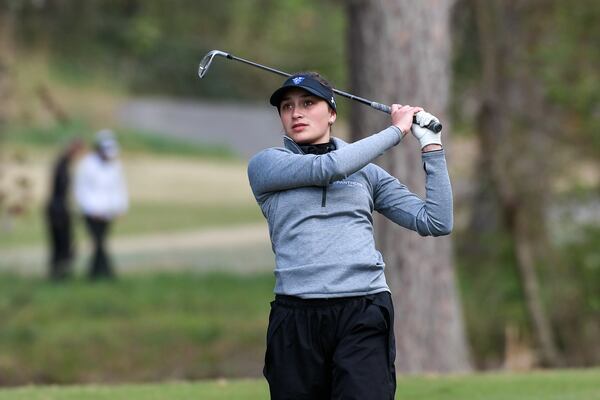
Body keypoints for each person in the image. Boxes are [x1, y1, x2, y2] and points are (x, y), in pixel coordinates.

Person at [247, 72, 453, 400]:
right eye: (287, 107)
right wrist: (397, 130)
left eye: (308, 103)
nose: (295, 113)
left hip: (363, 309)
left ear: (332, 113)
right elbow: (327, 168)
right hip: (296, 316)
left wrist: (431, 145)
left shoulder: (367, 174)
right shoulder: (267, 166)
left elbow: (436, 221)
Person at [74, 129, 128, 280]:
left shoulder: (115, 166)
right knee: (98, 242)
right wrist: (90, 209)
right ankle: (106, 274)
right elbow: (81, 190)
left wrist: (121, 208)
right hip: (92, 212)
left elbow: (118, 188)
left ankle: (95, 274)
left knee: (101, 242)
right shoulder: (87, 165)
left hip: (107, 212)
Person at [45, 138, 84, 280]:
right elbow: (59, 190)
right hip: (58, 210)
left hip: (59, 208)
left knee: (64, 244)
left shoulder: (65, 165)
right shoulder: (62, 165)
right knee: (61, 244)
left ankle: (60, 273)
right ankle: (58, 274)